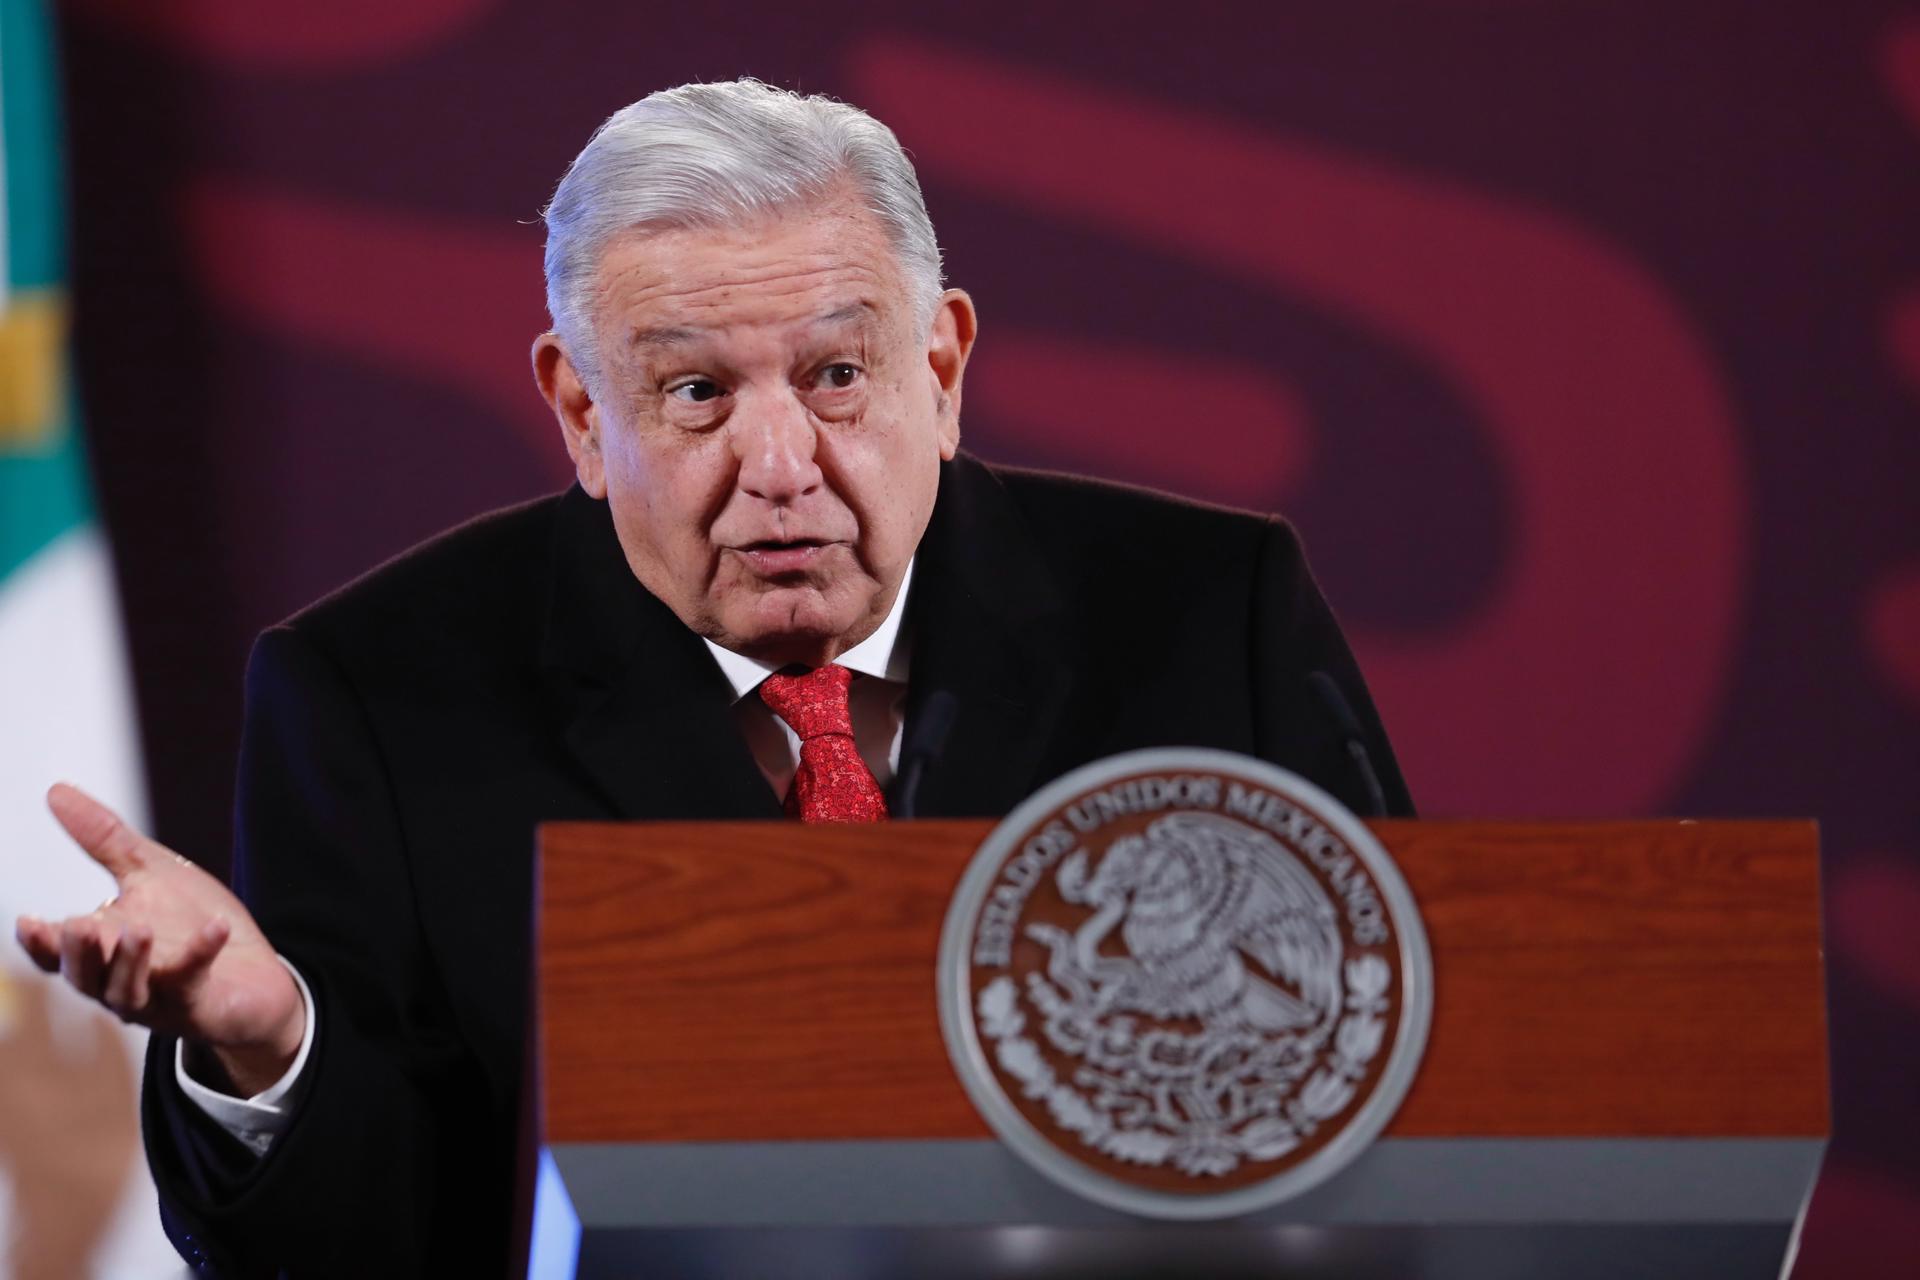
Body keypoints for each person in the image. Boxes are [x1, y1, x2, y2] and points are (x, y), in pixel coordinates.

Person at [12, 80, 1411, 1275]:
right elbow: (357, 1256)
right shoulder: (375, 695)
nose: (782, 464)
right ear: (578, 410)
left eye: (839, 376)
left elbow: (1426, 1075)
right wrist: (270, 1050)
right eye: (696, 394)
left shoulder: (1202, 615)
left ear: (944, 365)